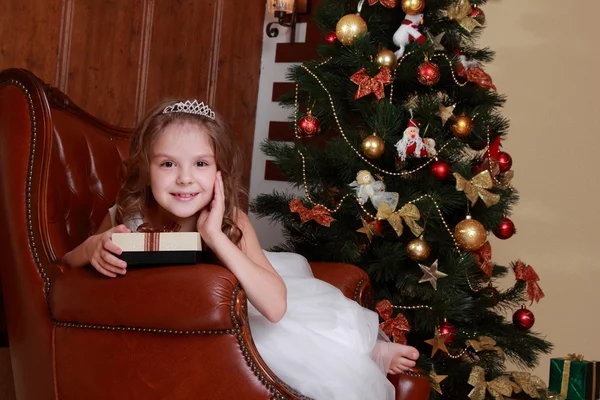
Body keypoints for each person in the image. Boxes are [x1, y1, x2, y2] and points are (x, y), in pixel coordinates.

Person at [62, 99, 420, 400]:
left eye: (200, 164)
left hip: (249, 309)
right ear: (146, 169)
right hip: (172, 324)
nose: (185, 178)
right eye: (168, 164)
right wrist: (93, 247)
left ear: (219, 171)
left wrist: (215, 237)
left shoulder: (232, 221)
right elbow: (67, 261)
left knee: (302, 333)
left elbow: (277, 308)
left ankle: (370, 351)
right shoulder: (130, 214)